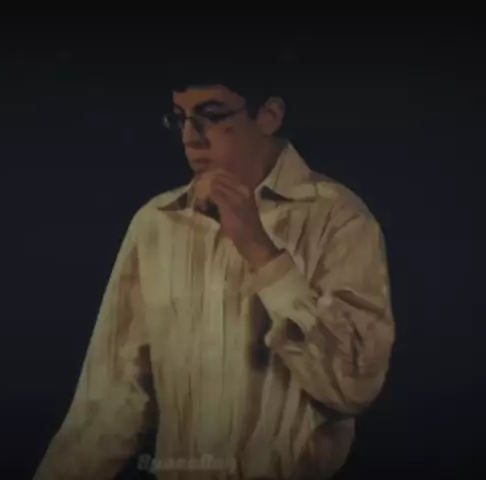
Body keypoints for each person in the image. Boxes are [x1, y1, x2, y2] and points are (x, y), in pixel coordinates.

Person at [32, 49, 395, 480]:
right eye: (179, 118)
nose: (190, 137)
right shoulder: (156, 224)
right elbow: (109, 403)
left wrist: (259, 248)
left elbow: (354, 385)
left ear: (269, 115)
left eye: (211, 115)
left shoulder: (340, 219)